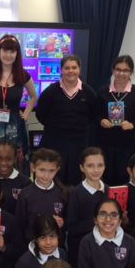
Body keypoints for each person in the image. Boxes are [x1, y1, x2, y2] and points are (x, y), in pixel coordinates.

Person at [35, 55, 97, 185]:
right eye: (67, 68)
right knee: (55, 178)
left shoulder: (88, 92)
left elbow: (93, 115)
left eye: (74, 67)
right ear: (61, 70)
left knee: (76, 180)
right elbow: (40, 114)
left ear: (79, 69)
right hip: (54, 142)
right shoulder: (50, 92)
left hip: (79, 143)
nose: (70, 71)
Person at [0, 35, 37, 168]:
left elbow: (34, 97)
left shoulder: (23, 75)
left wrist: (26, 114)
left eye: (12, 51)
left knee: (15, 164)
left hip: (15, 126)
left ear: (17, 54)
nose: (8, 55)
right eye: (5, 51)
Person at [96, 55, 135, 186]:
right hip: (106, 146)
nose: (121, 73)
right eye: (118, 69)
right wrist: (101, 121)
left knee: (126, 182)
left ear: (131, 72)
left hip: (128, 146)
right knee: (105, 181)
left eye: (125, 70)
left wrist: (132, 124)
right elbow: (94, 115)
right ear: (113, 70)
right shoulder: (103, 91)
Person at [65, 147, 106, 268]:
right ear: (82, 167)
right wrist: (98, 222)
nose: (96, 170)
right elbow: (71, 227)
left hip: (105, 251)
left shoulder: (110, 191)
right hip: (82, 251)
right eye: (90, 166)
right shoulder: (75, 193)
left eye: (100, 165)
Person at [15, 148, 68, 244]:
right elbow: (20, 224)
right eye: (42, 170)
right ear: (33, 167)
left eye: (51, 171)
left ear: (57, 170)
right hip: (32, 246)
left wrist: (63, 222)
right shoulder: (25, 194)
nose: (46, 175)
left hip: (57, 248)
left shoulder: (63, 192)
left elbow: (69, 220)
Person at [0, 140, 31, 216]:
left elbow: (29, 210)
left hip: (16, 226)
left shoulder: (25, 182)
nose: (3, 163)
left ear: (14, 159)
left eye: (8, 159)